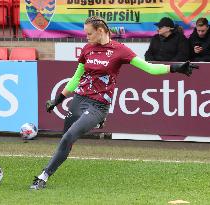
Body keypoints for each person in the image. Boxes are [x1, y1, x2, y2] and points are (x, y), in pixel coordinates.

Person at [30, 16, 198, 190]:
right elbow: (76, 78)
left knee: (69, 136)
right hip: (79, 99)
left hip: (99, 105)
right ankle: (52, 168)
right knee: (66, 140)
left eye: (89, 33)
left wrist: (175, 67)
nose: (86, 37)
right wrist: (58, 99)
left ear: (100, 31)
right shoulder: (87, 49)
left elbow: (149, 68)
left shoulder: (120, 50)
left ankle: (44, 175)